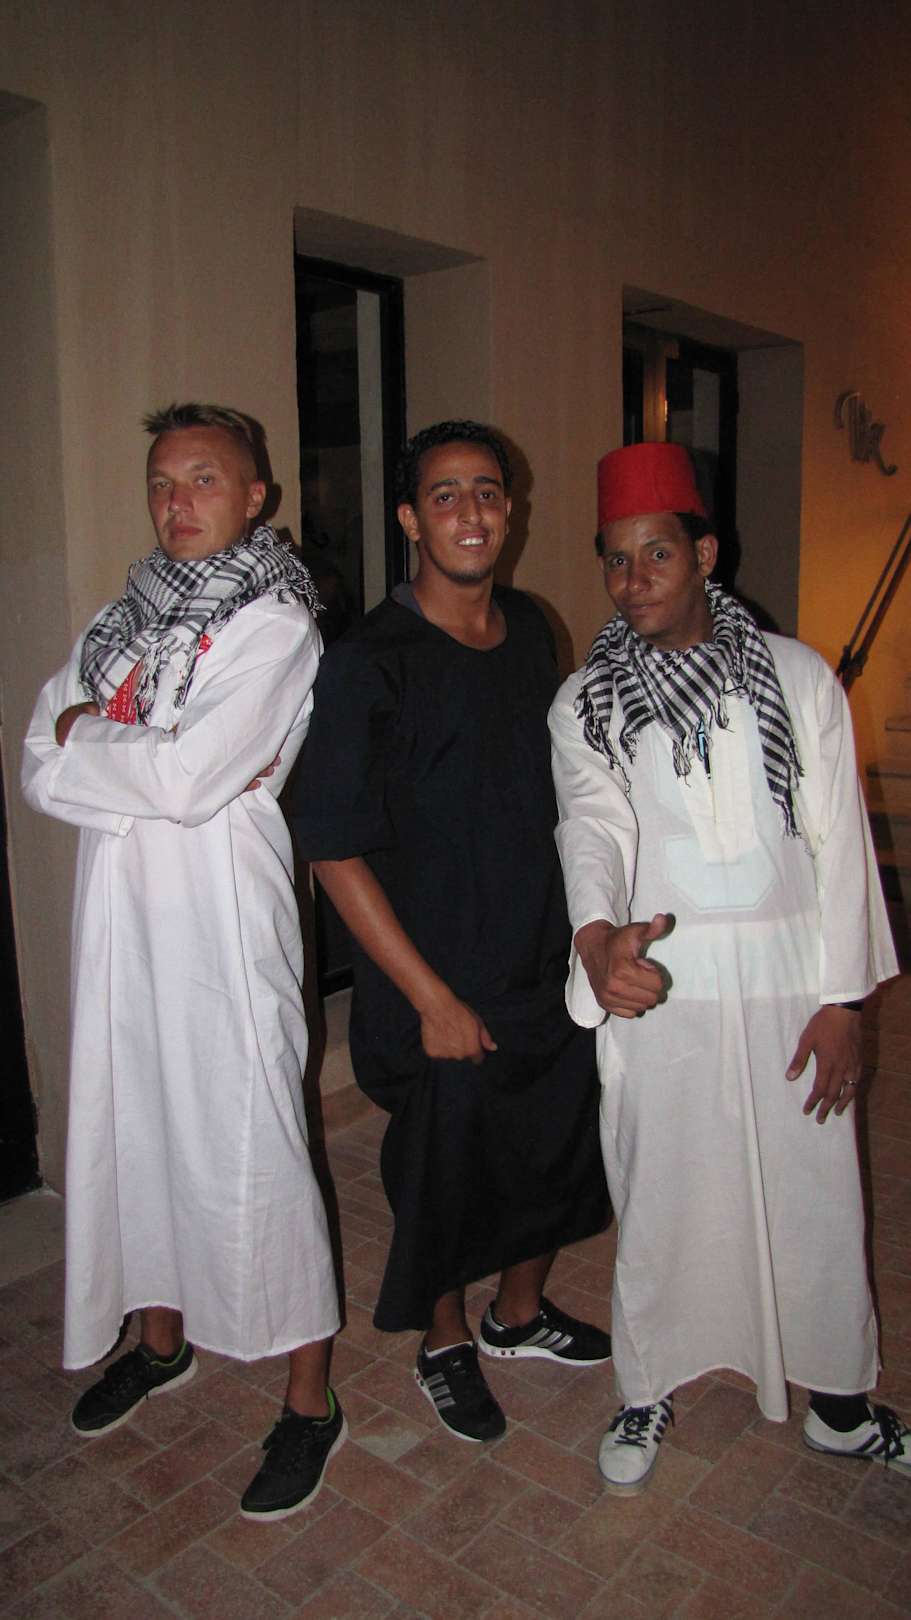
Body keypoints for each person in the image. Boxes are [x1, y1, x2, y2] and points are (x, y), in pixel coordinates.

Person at [548, 439, 909, 1494]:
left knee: (814, 1201)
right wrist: (592, 938)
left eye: (655, 553)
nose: (632, 580)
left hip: (792, 989)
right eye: (615, 560)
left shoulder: (796, 676)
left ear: (703, 554)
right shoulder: (585, 701)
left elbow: (838, 844)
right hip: (661, 992)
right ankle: (648, 1384)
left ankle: (838, 1406)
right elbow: (590, 828)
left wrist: (844, 1001)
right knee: (659, 1193)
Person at [22, 402, 344, 1520]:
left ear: (255, 496)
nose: (177, 502)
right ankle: (161, 1342)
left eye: (204, 479)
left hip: (219, 912)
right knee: (137, 1120)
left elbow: (188, 780)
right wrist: (124, 756)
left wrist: (91, 741)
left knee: (255, 1135)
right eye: (162, 481)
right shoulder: (118, 621)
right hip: (118, 912)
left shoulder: (276, 623)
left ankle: (309, 1398)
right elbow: (35, 761)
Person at [293, 421, 611, 1443]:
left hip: (538, 951)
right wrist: (428, 998)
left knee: (552, 1145)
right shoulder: (368, 663)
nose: (468, 513)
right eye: (443, 496)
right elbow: (331, 848)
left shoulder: (532, 630)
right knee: (445, 1174)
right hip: (432, 975)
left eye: (485, 491)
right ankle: (443, 1342)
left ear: (508, 510)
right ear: (408, 519)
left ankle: (517, 1314)